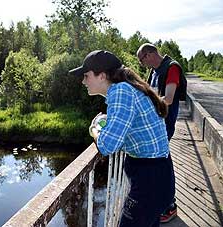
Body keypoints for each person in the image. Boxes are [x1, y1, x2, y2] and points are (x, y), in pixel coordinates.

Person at [69, 50, 175, 227]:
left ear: (102, 75)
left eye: (86, 76)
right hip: (156, 176)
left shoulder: (121, 92)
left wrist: (95, 129)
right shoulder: (126, 88)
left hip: (150, 181)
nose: (83, 81)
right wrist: (106, 122)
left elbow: (107, 145)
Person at [137, 43, 187, 223]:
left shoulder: (171, 67)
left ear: (149, 55)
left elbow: (168, 99)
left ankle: (169, 206)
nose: (142, 65)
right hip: (154, 125)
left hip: (164, 125)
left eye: (141, 60)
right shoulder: (154, 71)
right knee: (158, 165)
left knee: (163, 165)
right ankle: (161, 203)